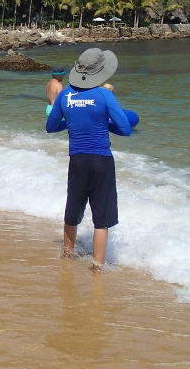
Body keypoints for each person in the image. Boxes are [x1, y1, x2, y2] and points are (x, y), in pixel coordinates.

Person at [45, 48, 132, 271]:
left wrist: (73, 122)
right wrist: (104, 123)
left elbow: (50, 127)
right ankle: (97, 265)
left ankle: (67, 255)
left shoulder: (65, 95)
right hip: (101, 160)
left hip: (77, 160)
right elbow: (125, 129)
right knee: (101, 216)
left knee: (73, 208)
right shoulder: (105, 95)